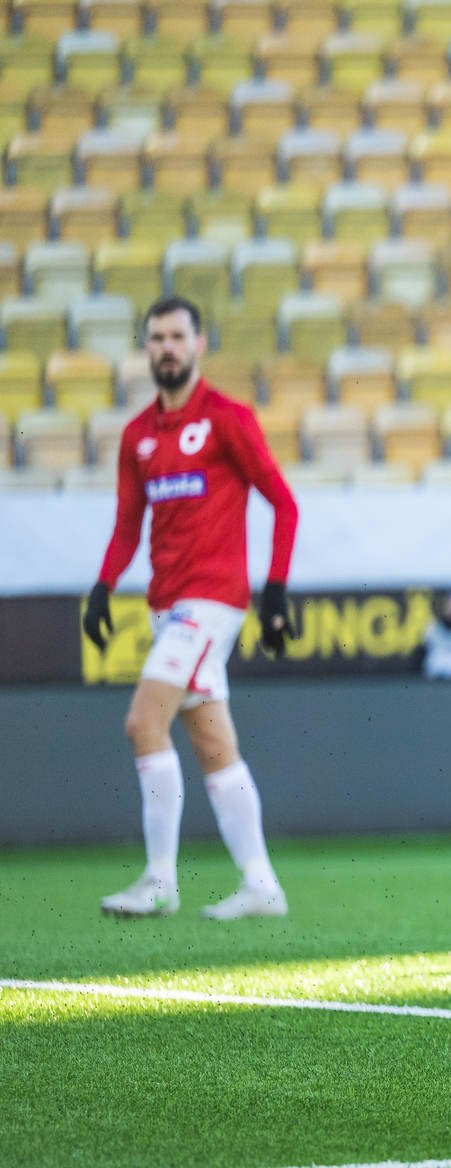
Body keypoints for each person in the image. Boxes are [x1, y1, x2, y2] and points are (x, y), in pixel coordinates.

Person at [84, 296, 300, 920]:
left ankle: (158, 881)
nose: (167, 348)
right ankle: (262, 885)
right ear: (146, 348)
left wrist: (276, 590)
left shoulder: (228, 419)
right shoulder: (138, 437)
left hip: (210, 603)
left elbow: (283, 504)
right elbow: (128, 525)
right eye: (156, 338)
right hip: (166, 603)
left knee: (142, 723)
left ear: (199, 344)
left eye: (178, 336)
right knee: (211, 742)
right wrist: (103, 586)